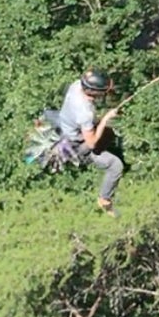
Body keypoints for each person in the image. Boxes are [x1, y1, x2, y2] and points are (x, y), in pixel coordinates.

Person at [57, 68, 123, 215]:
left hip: (67, 125)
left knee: (109, 134)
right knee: (116, 165)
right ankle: (104, 199)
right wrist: (105, 119)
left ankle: (107, 147)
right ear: (93, 92)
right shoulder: (84, 112)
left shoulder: (77, 85)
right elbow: (91, 142)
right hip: (76, 144)